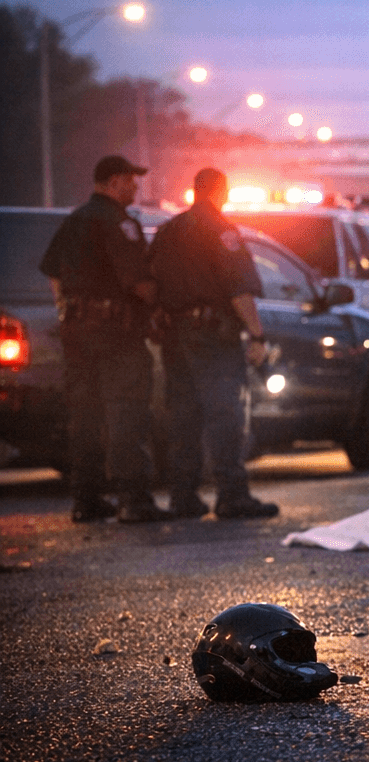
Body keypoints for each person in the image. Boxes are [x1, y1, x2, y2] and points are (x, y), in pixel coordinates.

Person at [39, 155, 169, 523]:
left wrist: (67, 308)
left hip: (77, 332)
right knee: (126, 412)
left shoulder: (75, 219)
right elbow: (138, 283)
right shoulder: (117, 221)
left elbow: (53, 272)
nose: (134, 188)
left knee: (85, 415)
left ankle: (86, 499)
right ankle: (134, 499)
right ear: (113, 183)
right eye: (130, 181)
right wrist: (159, 305)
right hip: (117, 333)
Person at [148, 167, 279, 519]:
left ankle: (183, 496)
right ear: (220, 191)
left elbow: (150, 283)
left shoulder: (167, 230)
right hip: (212, 338)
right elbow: (238, 288)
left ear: (195, 190)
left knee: (183, 416)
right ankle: (232, 495)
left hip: (176, 336)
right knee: (224, 414)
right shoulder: (221, 229)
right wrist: (256, 334)